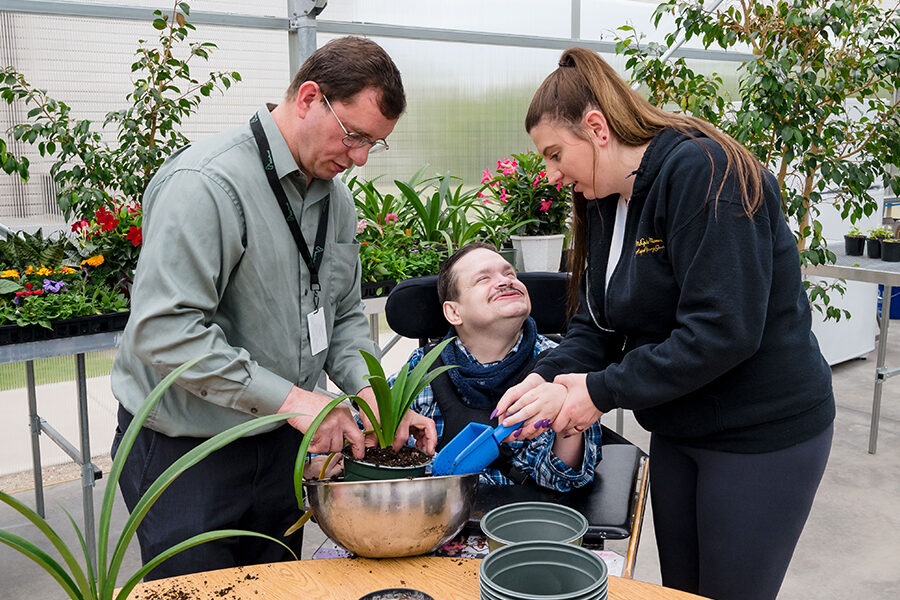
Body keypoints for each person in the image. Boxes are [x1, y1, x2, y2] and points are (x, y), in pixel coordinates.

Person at [495, 48, 834, 600]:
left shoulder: (704, 173)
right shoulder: (607, 198)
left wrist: (599, 394)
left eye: (555, 154)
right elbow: (596, 323)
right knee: (682, 590)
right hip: (680, 426)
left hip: (760, 432)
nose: (552, 174)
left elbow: (723, 330)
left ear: (597, 128)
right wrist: (548, 377)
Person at [110, 37, 435, 580]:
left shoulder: (333, 196)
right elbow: (164, 330)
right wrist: (296, 400)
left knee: (277, 585)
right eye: (354, 136)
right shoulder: (207, 185)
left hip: (284, 442)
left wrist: (369, 393)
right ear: (309, 97)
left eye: (372, 145)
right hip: (188, 452)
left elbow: (345, 313)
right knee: (200, 590)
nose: (357, 159)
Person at [390, 243, 602, 491]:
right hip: (439, 515)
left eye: (510, 273)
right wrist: (394, 422)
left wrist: (568, 421)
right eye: (483, 278)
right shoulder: (423, 368)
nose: (505, 281)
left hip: (525, 517)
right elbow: (370, 436)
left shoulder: (563, 367)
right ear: (453, 312)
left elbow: (564, 480)